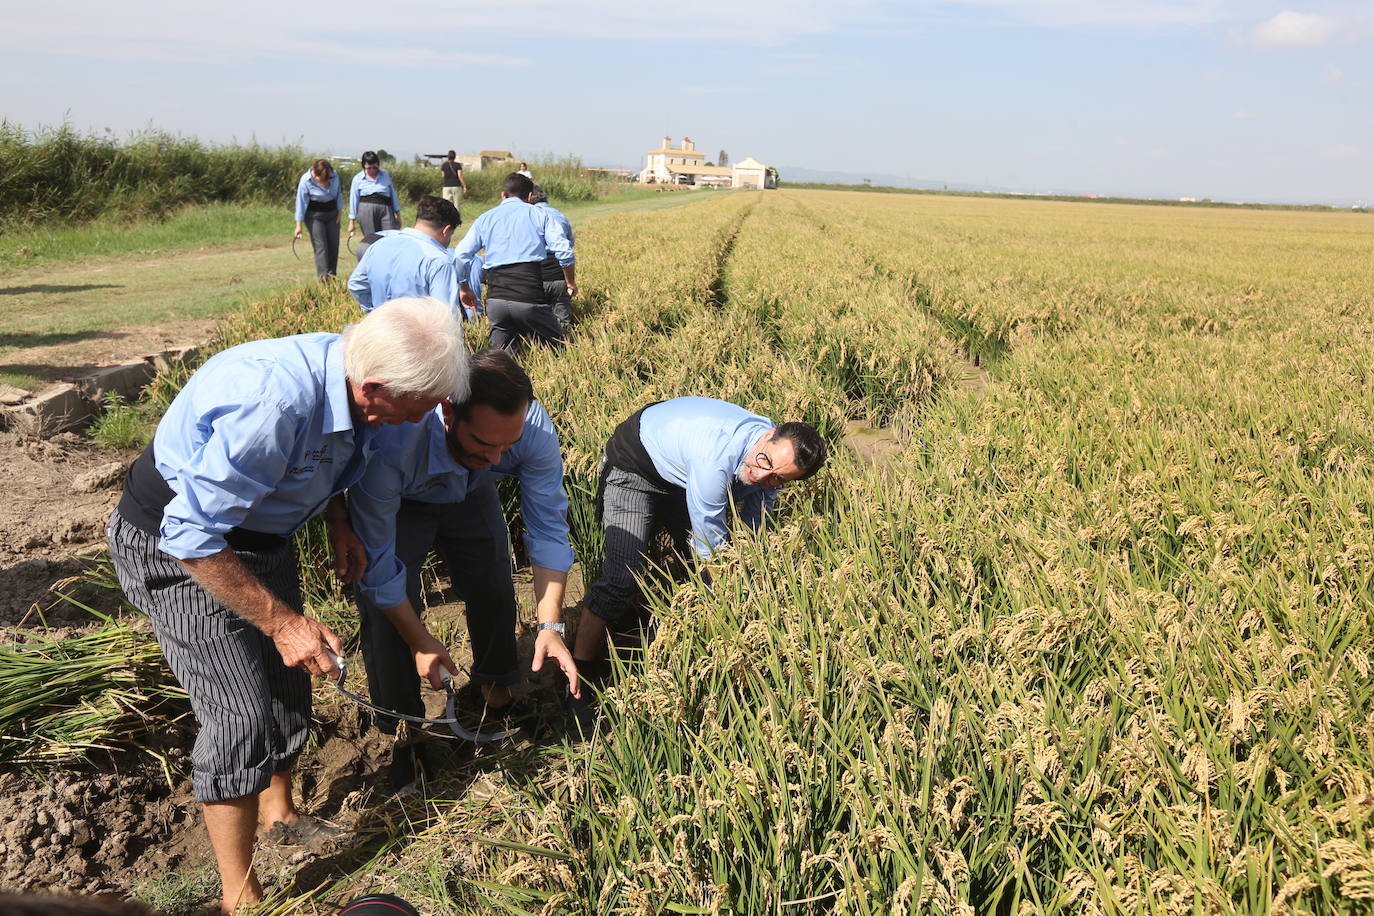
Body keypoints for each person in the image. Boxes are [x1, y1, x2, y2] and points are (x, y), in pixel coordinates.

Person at [105, 298, 468, 916]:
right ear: (375, 389)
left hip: (260, 538)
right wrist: (280, 621)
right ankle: (239, 895)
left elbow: (333, 456)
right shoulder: (273, 402)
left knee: (289, 690)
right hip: (182, 550)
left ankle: (279, 813)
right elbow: (190, 535)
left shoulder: (356, 379)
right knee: (240, 715)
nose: (424, 420)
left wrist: (338, 518)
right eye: (418, 409)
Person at [347, 349, 580, 786]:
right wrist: (418, 638)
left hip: (472, 490)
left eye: (506, 448)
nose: (497, 459)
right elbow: (377, 565)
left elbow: (548, 530)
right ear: (447, 411)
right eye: (484, 443)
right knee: (388, 611)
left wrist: (550, 625)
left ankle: (497, 694)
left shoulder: (531, 432)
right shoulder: (394, 441)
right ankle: (405, 732)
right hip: (403, 501)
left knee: (493, 583)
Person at [571, 397, 826, 686]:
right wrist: (735, 606)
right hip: (635, 463)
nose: (760, 476)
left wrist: (754, 565)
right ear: (768, 436)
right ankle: (579, 672)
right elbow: (712, 551)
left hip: (680, 470)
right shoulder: (714, 462)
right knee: (623, 577)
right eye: (764, 462)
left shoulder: (771, 454)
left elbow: (756, 521)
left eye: (777, 478)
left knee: (710, 564)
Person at [454, 173, 575, 353]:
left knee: (505, 363)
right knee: (560, 350)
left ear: (503, 195)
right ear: (529, 197)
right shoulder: (539, 214)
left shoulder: (485, 218)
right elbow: (564, 251)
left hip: (495, 301)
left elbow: (461, 254)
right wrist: (570, 281)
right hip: (529, 297)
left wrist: (464, 287)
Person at [348, 195, 462, 315]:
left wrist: (374, 314)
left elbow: (356, 284)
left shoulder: (378, 246)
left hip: (380, 329)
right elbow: (446, 314)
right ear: (446, 231)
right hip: (419, 331)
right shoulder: (439, 260)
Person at [529, 183, 575, 332]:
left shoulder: (526, 216)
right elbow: (568, 245)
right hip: (558, 273)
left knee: (536, 322)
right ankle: (563, 348)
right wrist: (571, 282)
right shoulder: (560, 216)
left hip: (534, 274)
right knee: (562, 320)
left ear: (528, 199)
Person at [293, 158, 344, 280]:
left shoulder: (334, 176)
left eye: (328, 178)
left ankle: (332, 277)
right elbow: (301, 203)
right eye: (323, 179)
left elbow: (338, 195)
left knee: (333, 245)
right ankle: (322, 279)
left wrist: (339, 213)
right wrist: (298, 225)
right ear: (315, 175)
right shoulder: (306, 181)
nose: (326, 182)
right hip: (314, 216)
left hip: (332, 214)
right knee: (321, 247)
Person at [348, 151, 403, 259]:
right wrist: (351, 221)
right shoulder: (357, 179)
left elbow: (393, 194)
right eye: (369, 168)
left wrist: (398, 215)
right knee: (372, 239)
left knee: (391, 237)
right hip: (366, 208)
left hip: (385, 208)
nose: (372, 170)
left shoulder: (385, 175)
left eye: (375, 168)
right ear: (364, 166)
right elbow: (354, 200)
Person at [439, 150, 467, 223]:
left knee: (446, 204)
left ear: (448, 156)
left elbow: (443, 175)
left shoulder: (444, 165)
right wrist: (464, 186)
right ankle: (457, 220)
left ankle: (446, 220)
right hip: (456, 186)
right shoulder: (457, 165)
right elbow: (460, 176)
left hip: (446, 186)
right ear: (454, 157)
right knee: (456, 204)